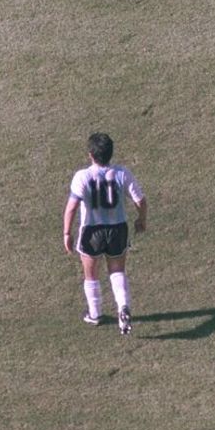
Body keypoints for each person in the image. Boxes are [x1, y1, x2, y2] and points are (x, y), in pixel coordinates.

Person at [63, 132, 147, 334]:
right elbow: (141, 201)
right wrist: (141, 219)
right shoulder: (122, 173)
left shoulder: (82, 176)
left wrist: (67, 232)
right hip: (118, 229)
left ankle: (95, 314)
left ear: (91, 154)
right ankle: (123, 307)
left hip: (92, 231)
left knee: (91, 274)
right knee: (117, 271)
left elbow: (72, 207)